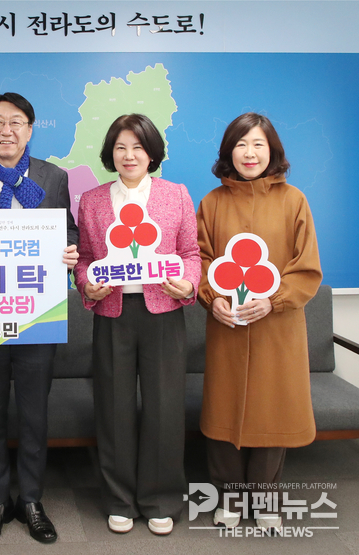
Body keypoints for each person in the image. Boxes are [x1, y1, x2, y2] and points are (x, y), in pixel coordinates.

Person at [0, 92, 79, 544]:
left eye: (16, 122)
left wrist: (69, 249)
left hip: (38, 314)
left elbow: (69, 229)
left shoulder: (54, 177)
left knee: (33, 414)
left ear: (30, 129)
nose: (6, 130)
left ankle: (30, 499)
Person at [73, 114, 201, 536]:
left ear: (152, 154)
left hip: (163, 313)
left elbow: (190, 253)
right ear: (110, 153)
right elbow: (86, 258)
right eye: (121, 148)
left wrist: (189, 284)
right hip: (113, 314)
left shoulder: (176, 194)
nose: (129, 156)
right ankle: (120, 499)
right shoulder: (92, 200)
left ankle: (161, 498)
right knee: (114, 408)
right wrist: (86, 285)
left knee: (165, 408)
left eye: (138, 148)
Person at [197, 113, 321, 533]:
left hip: (277, 328)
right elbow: (200, 259)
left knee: (273, 412)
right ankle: (229, 497)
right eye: (241, 144)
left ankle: (266, 500)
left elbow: (306, 268)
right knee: (223, 409)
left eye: (258, 145)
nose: (249, 153)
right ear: (228, 152)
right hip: (228, 326)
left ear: (273, 151)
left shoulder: (295, 200)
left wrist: (274, 300)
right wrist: (211, 299)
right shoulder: (212, 202)